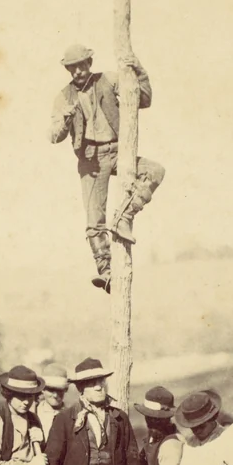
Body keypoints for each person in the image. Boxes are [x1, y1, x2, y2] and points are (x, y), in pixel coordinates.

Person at [49, 44, 165, 292]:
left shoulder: (109, 80)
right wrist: (67, 119)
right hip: (90, 159)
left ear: (90, 63)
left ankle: (124, 214)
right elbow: (54, 135)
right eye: (73, 68)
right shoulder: (63, 97)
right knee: (94, 220)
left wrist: (139, 70)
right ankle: (107, 271)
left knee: (155, 171)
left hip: (119, 151)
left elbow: (142, 98)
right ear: (68, 70)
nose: (78, 71)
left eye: (82, 65)